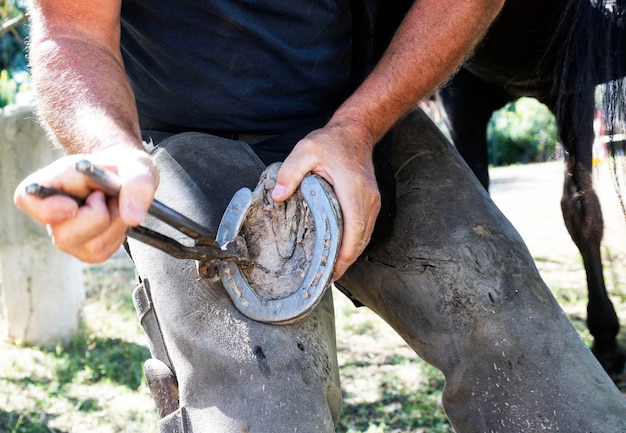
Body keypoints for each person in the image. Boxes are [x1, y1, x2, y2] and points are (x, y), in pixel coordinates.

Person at [13, 0, 626, 432]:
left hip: (362, 114)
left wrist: (357, 128)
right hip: (185, 139)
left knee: (543, 375)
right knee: (262, 407)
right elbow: (72, 29)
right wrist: (113, 151)